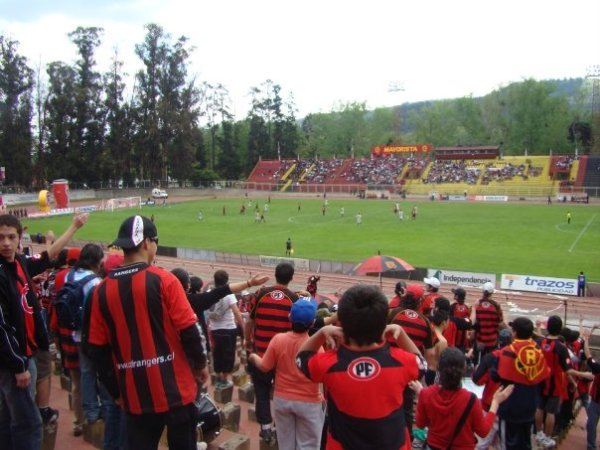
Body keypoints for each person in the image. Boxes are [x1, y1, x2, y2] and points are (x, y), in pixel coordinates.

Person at [84, 215, 209, 450]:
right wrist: (201, 365)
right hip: (177, 392)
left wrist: (114, 390)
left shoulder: (100, 291)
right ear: (146, 243)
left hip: (134, 395)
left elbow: (97, 350)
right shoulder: (164, 280)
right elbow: (190, 330)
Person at [297, 284, 423, 450]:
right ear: (383, 323)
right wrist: (400, 334)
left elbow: (301, 358)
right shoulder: (401, 362)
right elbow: (422, 364)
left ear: (341, 322)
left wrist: (321, 332)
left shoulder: (329, 363)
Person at [0, 212, 88, 450]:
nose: (6, 243)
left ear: (19, 239)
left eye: (11, 237)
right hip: (14, 363)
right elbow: (1, 328)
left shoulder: (19, 265)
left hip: (24, 355)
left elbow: (49, 255)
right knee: (29, 424)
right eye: (1, 238)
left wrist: (74, 227)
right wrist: (18, 365)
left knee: (9, 420)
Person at [249, 299, 325, 450]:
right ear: (312, 322)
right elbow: (321, 376)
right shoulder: (316, 347)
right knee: (309, 445)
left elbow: (265, 366)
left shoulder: (279, 339)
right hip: (309, 402)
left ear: (289, 317)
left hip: (282, 399)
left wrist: (253, 357)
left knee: (285, 444)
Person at [411, 347, 514, 450]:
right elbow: (483, 431)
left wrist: (422, 396)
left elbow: (420, 423)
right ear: (464, 370)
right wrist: (495, 402)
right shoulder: (471, 400)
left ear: (439, 368)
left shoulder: (426, 394)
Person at [245, 262, 300, 444]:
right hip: (284, 356)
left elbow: (249, 322)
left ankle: (265, 428)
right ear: (291, 278)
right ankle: (278, 428)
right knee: (281, 390)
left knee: (261, 390)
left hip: (261, 352)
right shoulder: (294, 299)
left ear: (275, 275)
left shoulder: (260, 294)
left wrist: (247, 340)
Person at [534, 315, 593, 449]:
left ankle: (539, 433)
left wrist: (537, 328)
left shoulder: (540, 342)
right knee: (550, 412)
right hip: (554, 384)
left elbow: (538, 337)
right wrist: (583, 374)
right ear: (560, 329)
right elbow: (568, 370)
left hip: (540, 379)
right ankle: (547, 438)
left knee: (539, 408)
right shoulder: (561, 348)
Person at [494, 317, 550, 450]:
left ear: (514, 332)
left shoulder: (506, 351)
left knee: (507, 444)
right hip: (530, 406)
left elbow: (495, 375)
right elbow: (544, 374)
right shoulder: (538, 352)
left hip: (510, 406)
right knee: (525, 443)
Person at [207, 270, 245, 388]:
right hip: (228, 329)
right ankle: (224, 380)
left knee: (217, 354)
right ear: (227, 281)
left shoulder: (209, 292)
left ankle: (218, 378)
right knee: (228, 355)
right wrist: (243, 328)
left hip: (214, 329)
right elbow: (237, 312)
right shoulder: (229, 294)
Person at [471, 282, 504, 364]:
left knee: (478, 364)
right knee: (490, 364)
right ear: (492, 292)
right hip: (492, 341)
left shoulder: (477, 305)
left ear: (483, 292)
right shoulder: (496, 305)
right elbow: (501, 323)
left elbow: (472, 322)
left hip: (479, 341)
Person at [583, 329, 600, 450]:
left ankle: (591, 446)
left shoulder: (598, 367)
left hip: (596, 400)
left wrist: (586, 339)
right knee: (591, 424)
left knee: (592, 424)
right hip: (595, 400)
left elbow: (588, 355)